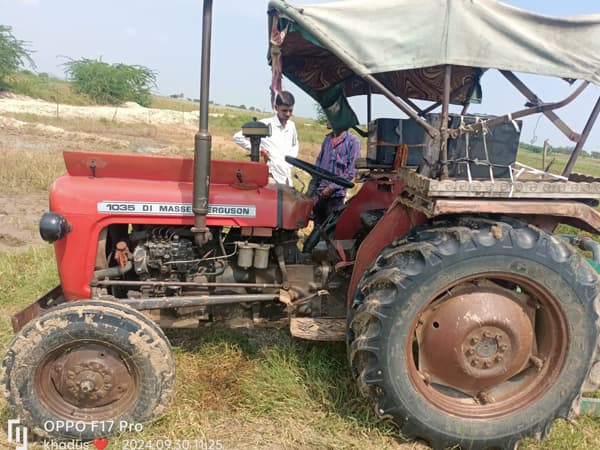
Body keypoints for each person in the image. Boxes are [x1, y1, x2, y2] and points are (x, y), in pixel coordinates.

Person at [233, 91, 299, 186]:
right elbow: (238, 137)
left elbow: (295, 145)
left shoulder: (291, 126)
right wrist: (260, 150)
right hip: (271, 176)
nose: (288, 114)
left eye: (291, 111)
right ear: (276, 108)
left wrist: (291, 161)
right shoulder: (265, 125)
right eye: (284, 110)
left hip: (287, 176)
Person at [312, 121, 361, 225]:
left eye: (329, 118)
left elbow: (351, 171)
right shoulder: (327, 140)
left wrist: (331, 187)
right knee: (317, 227)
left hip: (336, 196)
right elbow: (319, 163)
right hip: (320, 193)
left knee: (330, 229)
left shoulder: (353, 142)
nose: (326, 120)